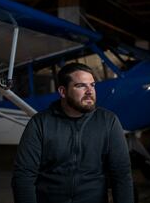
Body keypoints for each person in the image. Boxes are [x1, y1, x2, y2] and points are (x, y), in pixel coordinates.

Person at [12, 62, 134, 203]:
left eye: (92, 85)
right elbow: (23, 176)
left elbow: (121, 174)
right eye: (81, 86)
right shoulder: (40, 123)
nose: (90, 91)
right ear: (63, 92)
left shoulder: (108, 121)